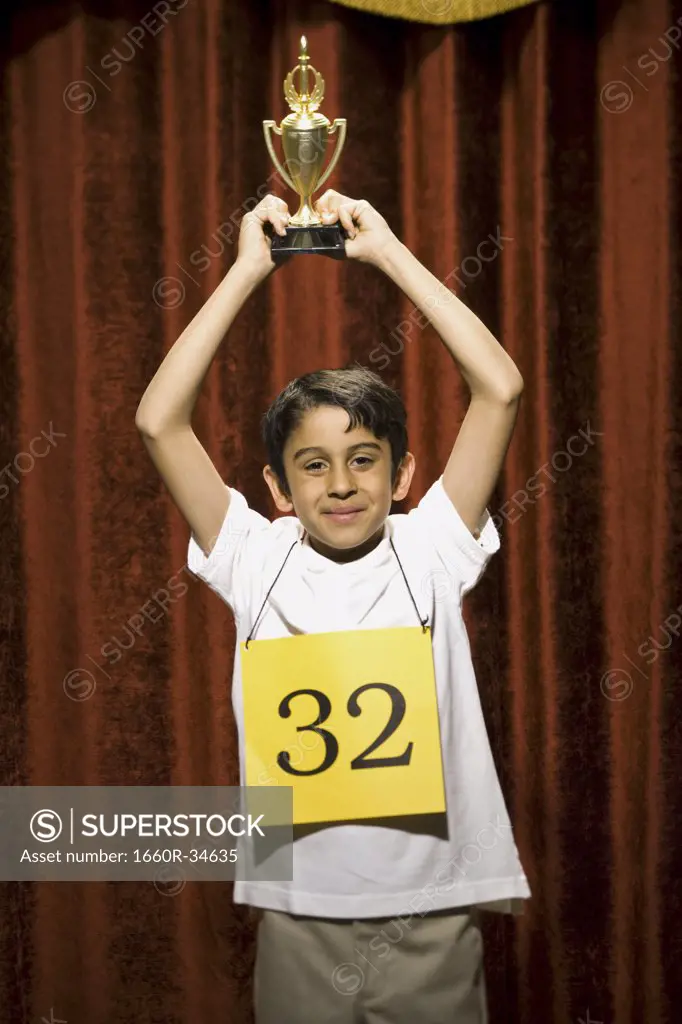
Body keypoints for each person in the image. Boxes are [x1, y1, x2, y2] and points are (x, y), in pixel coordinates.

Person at [135, 189, 531, 1024]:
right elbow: (158, 421)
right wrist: (246, 270)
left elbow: (499, 387)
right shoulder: (254, 555)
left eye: (363, 459)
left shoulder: (431, 546)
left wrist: (388, 255)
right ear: (276, 488)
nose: (342, 483)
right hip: (299, 914)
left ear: (404, 474)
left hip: (434, 911)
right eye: (313, 465)